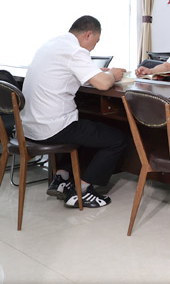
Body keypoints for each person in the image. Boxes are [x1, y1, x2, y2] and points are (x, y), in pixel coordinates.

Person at [21, 15, 128, 208]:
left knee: (89, 127)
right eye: (95, 42)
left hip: (29, 127)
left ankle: (62, 178)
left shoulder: (51, 44)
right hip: (52, 127)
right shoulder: (75, 50)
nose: (93, 48)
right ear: (88, 34)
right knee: (116, 139)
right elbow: (103, 84)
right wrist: (112, 74)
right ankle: (83, 190)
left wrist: (96, 73)